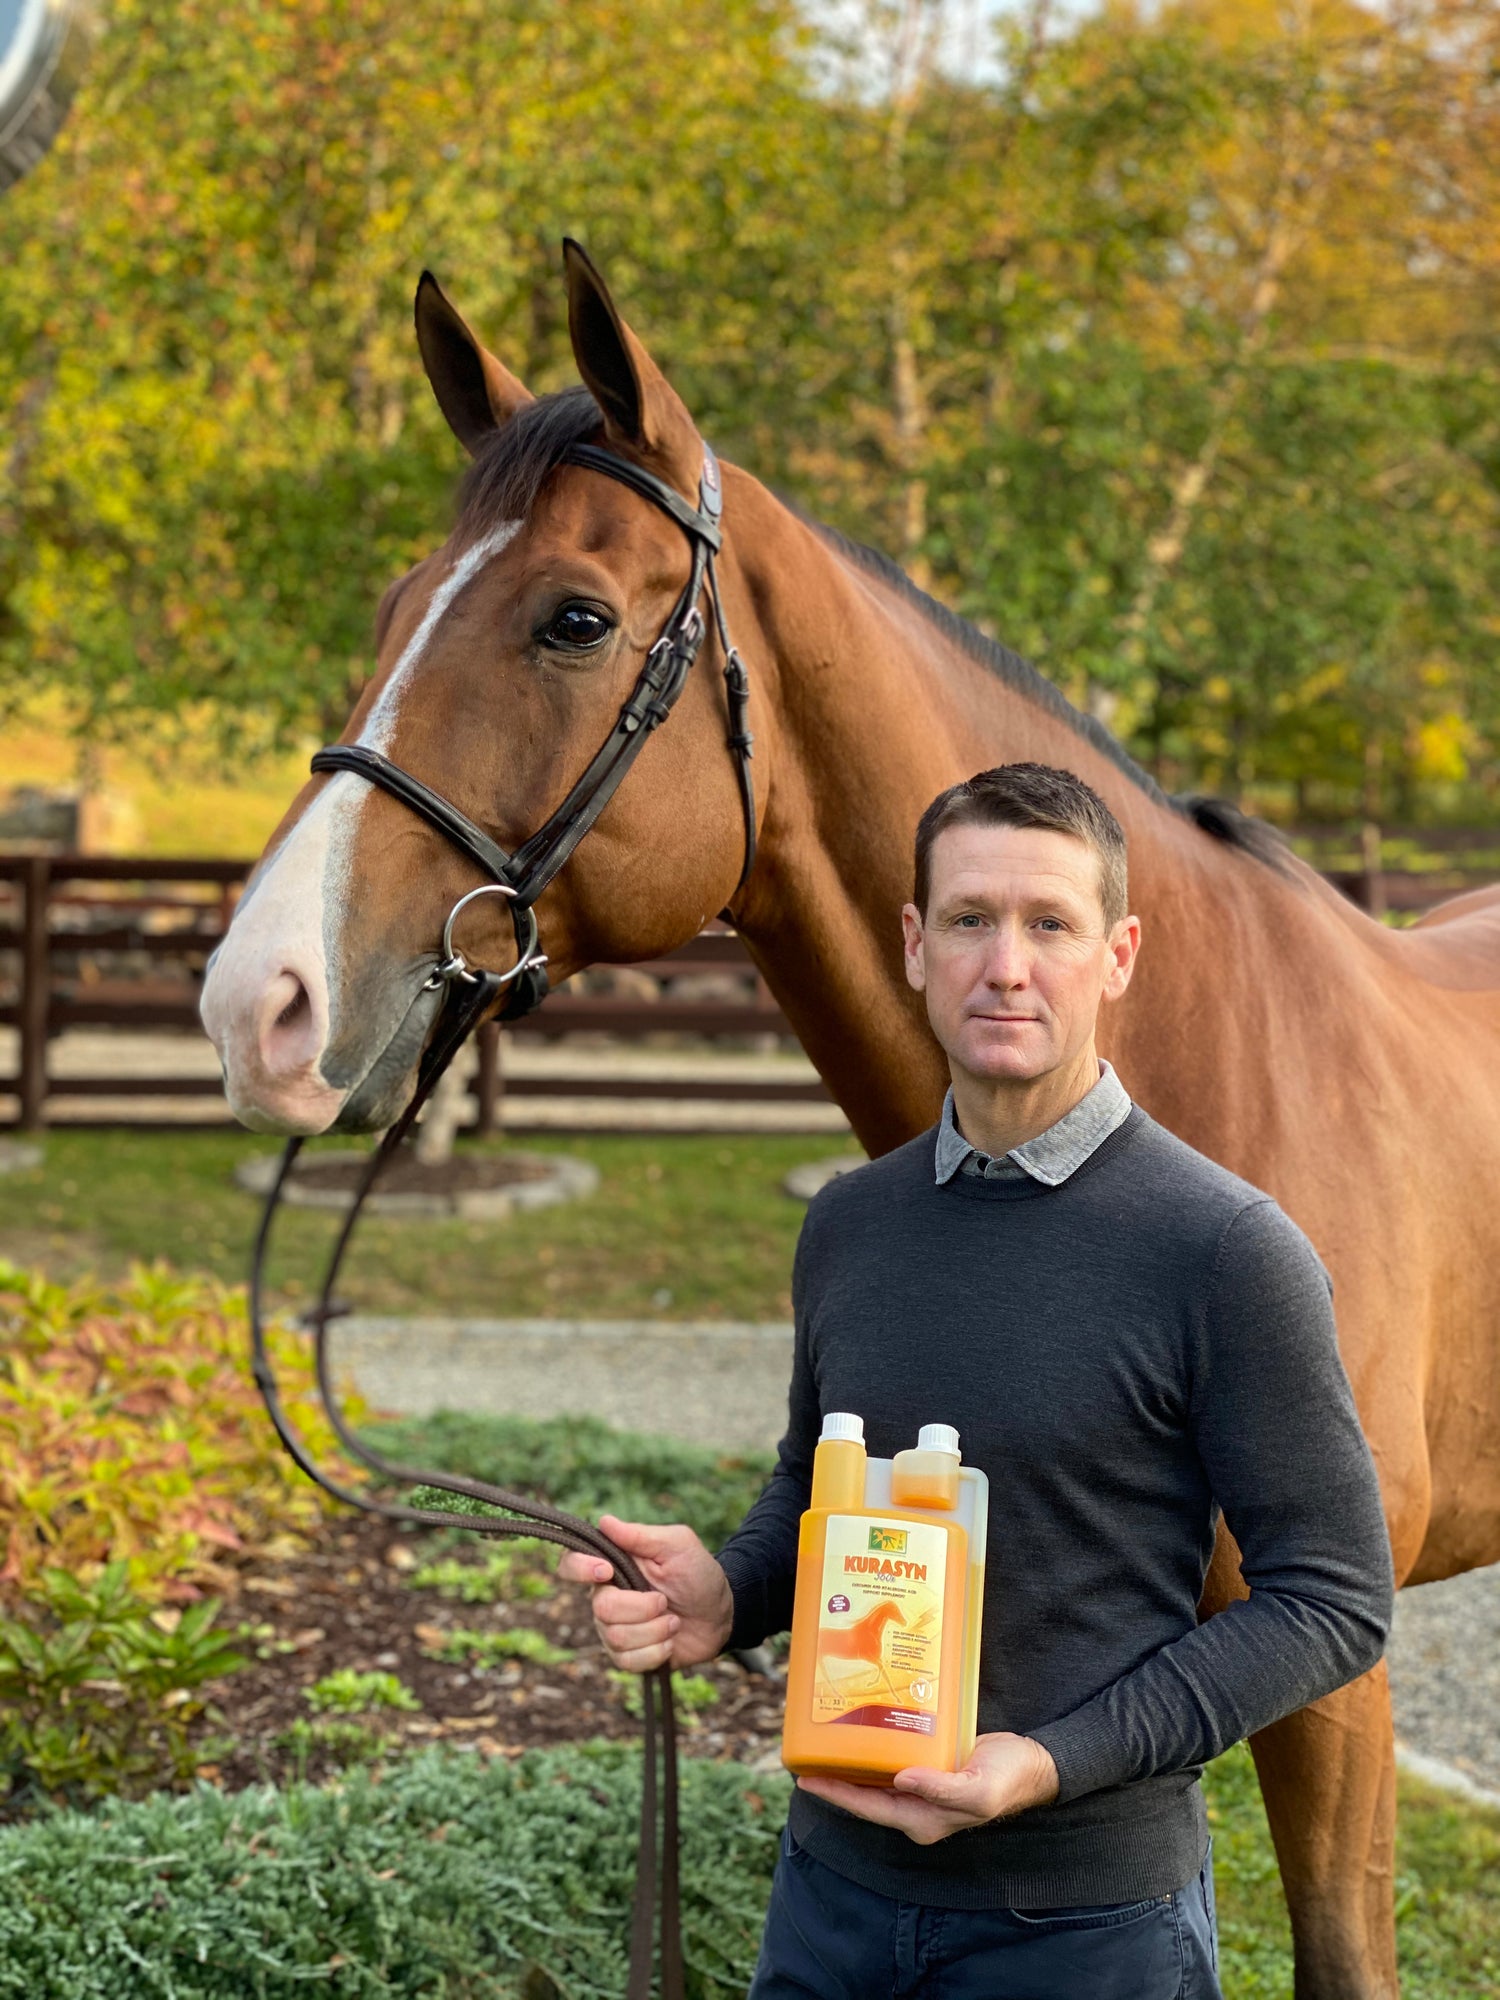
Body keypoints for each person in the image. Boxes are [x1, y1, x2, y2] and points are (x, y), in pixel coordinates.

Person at [560, 762, 1394, 1999]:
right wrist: (728, 1595)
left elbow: (1334, 1597)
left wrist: (1049, 1761)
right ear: (914, 945)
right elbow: (817, 1484)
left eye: (1050, 923)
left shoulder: (1224, 1250)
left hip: (1086, 1927)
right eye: (970, 919)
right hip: (830, 1905)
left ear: (1116, 954)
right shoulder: (850, 1221)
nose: (1006, 965)